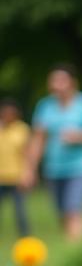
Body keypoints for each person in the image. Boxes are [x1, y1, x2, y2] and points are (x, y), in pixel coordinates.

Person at [23, 65, 82, 241]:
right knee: (62, 213)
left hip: (81, 166)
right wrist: (29, 169)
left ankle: (76, 257)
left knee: (73, 209)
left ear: (72, 83)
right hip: (54, 168)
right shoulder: (45, 106)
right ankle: (70, 246)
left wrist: (79, 136)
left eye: (61, 80)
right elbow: (38, 139)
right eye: (53, 80)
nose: (56, 85)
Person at [0, 99, 31, 238]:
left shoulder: (22, 129)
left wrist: (27, 173)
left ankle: (25, 237)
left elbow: (27, 153)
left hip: (17, 177)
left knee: (20, 210)